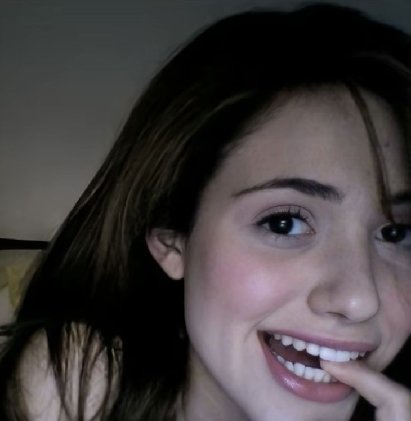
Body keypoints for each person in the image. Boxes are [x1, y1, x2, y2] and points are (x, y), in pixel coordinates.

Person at [0, 3, 410, 420]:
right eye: (284, 223)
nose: (360, 300)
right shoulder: (78, 387)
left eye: (397, 234)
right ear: (172, 242)